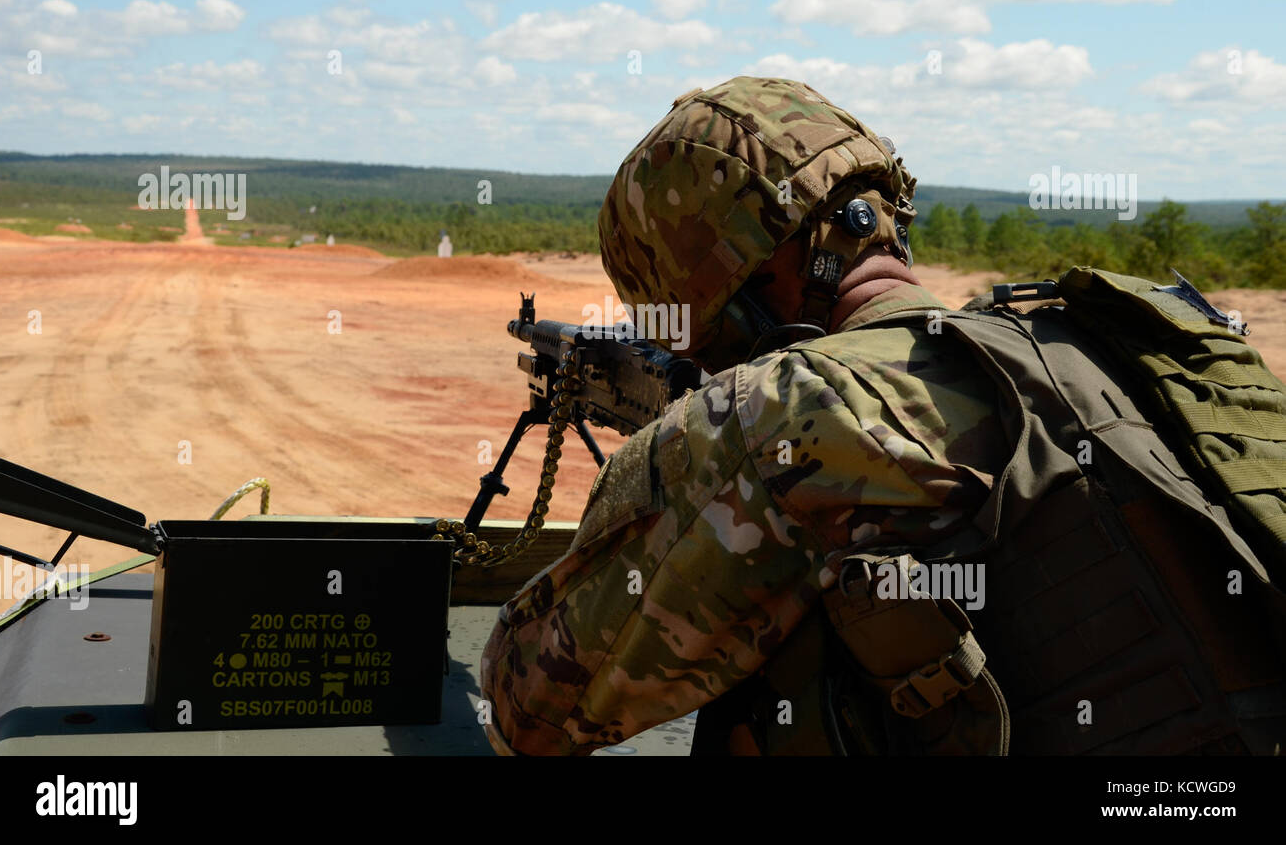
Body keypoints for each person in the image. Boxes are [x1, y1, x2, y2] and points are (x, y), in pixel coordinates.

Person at [479, 76, 1286, 756]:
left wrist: (675, 458)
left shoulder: (791, 412)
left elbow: (530, 704)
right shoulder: (1145, 343)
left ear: (723, 295)